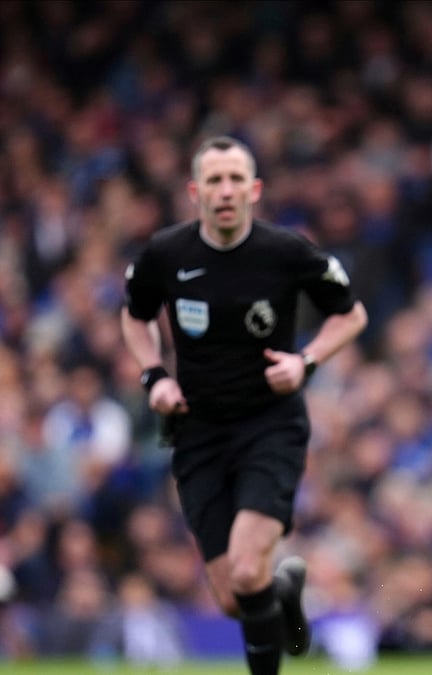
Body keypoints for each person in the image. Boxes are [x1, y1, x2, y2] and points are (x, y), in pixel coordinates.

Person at [120, 136, 368, 675]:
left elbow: (351, 315)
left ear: (254, 190)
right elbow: (134, 314)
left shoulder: (286, 252)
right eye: (214, 180)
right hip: (196, 431)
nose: (226, 190)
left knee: (247, 567)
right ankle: (286, 590)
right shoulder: (167, 253)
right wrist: (154, 374)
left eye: (236, 179)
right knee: (234, 595)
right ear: (195, 192)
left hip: (269, 424)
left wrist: (306, 362)